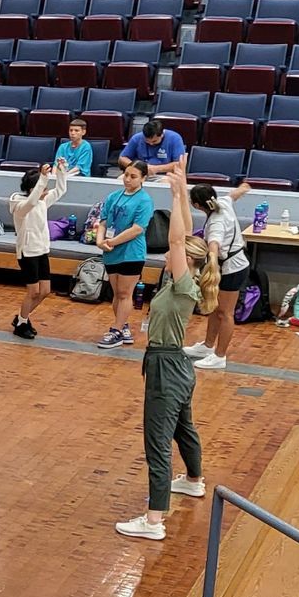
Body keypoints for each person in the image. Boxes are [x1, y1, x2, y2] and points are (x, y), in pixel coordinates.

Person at [117, 159, 213, 540]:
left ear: (186, 262)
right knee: (184, 428)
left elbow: (176, 239)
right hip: (177, 366)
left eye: (179, 255)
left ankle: (154, 520)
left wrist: (175, 195)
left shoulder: (182, 283)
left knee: (157, 441)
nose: (172, 255)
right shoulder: (188, 281)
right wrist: (181, 188)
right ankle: (194, 479)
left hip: (165, 367)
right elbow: (185, 233)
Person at [187, 182, 253, 371]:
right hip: (228, 266)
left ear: (196, 205)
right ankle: (207, 347)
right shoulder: (223, 202)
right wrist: (245, 186)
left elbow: (214, 246)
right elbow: (236, 193)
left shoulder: (216, 222)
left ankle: (220, 356)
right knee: (215, 309)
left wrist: (211, 268)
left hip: (233, 269)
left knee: (225, 313)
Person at [92, 160, 155, 349]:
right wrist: (100, 241)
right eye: (126, 175)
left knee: (125, 293)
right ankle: (123, 324)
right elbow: (103, 221)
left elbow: (137, 229)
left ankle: (116, 330)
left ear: (143, 178)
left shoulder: (144, 200)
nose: (128, 179)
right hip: (112, 252)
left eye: (133, 176)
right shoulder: (113, 196)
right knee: (116, 293)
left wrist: (112, 241)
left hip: (132, 252)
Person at [9, 160, 68, 340]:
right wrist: (42, 178)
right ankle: (21, 324)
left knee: (45, 291)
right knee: (33, 291)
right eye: (42, 188)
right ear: (34, 189)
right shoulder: (19, 204)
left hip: (41, 250)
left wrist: (61, 171)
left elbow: (60, 190)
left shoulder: (42, 201)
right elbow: (31, 202)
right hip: (27, 252)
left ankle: (21, 318)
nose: (45, 191)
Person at [120, 118, 186, 178]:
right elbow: (122, 158)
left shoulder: (175, 138)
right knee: (121, 179)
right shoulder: (137, 138)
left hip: (165, 175)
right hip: (139, 174)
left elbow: (179, 164)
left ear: (162, 134)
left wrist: (156, 169)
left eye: (154, 141)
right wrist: (137, 167)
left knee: (165, 183)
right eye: (147, 141)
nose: (151, 143)